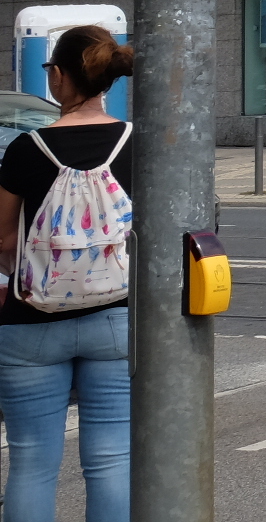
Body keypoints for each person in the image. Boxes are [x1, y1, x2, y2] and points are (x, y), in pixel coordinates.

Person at [0, 25, 135, 522]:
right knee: (112, 460)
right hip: (115, 318)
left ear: (57, 76)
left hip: (31, 324)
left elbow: (4, 240)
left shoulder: (26, 148)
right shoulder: (135, 143)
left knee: (32, 465)